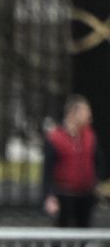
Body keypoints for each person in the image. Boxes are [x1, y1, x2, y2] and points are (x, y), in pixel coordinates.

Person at [43, 94, 102, 229]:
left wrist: (96, 181)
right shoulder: (55, 138)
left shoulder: (89, 136)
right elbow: (48, 171)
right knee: (61, 232)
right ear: (73, 114)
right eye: (85, 112)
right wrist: (49, 195)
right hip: (64, 194)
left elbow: (98, 160)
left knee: (84, 230)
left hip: (85, 194)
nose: (89, 116)